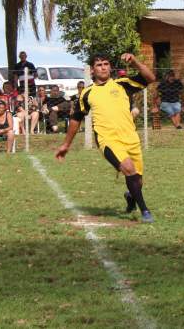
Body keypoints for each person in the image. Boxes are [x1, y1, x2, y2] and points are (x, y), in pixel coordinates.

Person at [55, 53, 156, 223]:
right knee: (128, 169)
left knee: (137, 181)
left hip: (131, 138)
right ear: (92, 70)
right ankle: (145, 211)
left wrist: (136, 62)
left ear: (110, 67)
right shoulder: (86, 94)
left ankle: (131, 196)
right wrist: (66, 144)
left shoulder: (123, 84)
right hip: (107, 140)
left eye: (106, 64)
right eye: (99, 64)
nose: (103, 67)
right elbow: (76, 119)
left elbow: (150, 78)